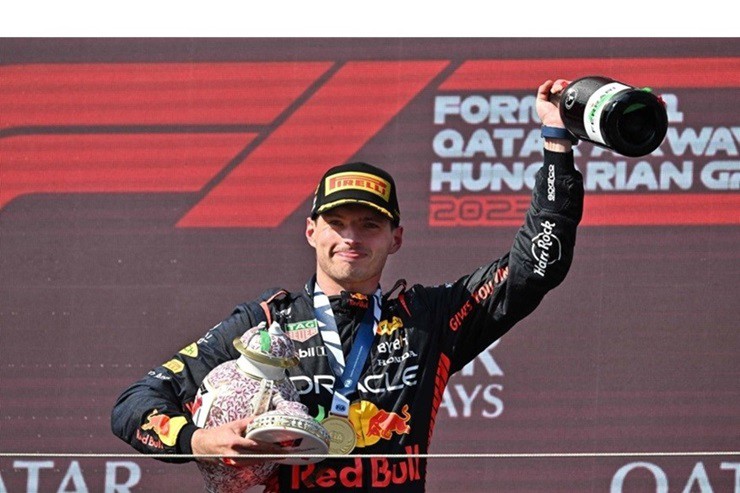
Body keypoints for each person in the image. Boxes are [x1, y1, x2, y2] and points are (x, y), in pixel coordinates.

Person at [111, 79, 584, 492]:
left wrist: (556, 143)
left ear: (396, 239)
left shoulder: (429, 319)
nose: (351, 238)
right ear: (311, 231)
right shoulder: (266, 324)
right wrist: (197, 440)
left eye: (369, 225)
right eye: (336, 223)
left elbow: (536, 267)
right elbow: (134, 404)